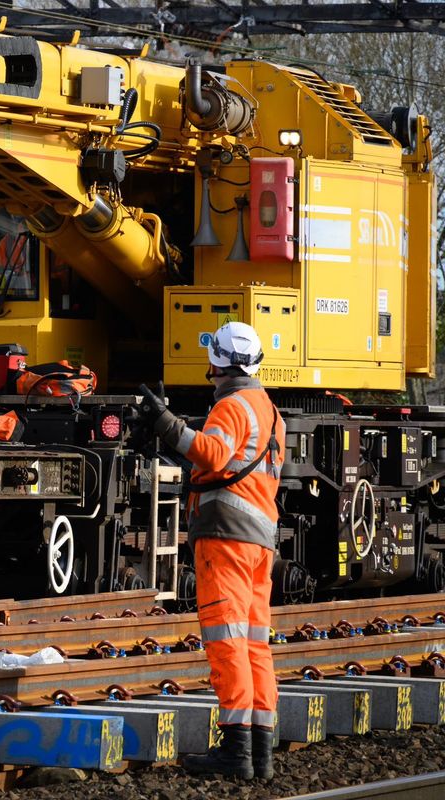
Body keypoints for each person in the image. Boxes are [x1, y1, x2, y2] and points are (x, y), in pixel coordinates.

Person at [137, 321, 285, 780]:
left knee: (227, 641)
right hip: (260, 542)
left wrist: (164, 423)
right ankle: (260, 753)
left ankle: (236, 751)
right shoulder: (269, 411)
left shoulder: (231, 406)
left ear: (216, 361)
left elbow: (212, 454)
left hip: (226, 540)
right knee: (255, 644)